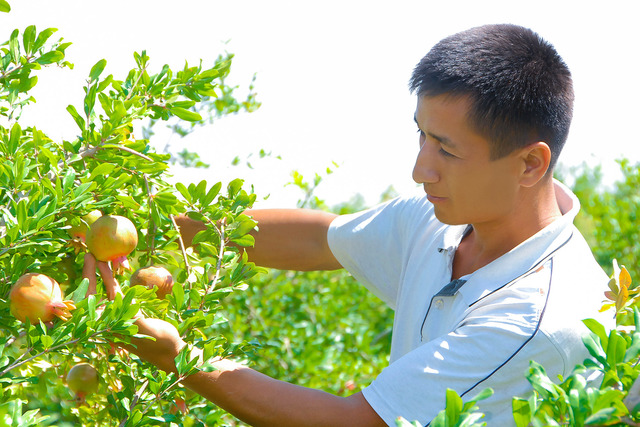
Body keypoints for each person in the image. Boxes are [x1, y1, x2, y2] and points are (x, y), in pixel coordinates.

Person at [85, 24, 613, 426]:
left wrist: (182, 360)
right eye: (422, 136)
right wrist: (157, 223)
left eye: (447, 150)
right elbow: (319, 238)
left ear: (530, 164)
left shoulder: (539, 321)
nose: (419, 169)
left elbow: (359, 423)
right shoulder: (441, 220)